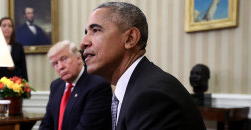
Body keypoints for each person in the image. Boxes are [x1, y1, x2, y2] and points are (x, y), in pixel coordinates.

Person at [80, 2, 206, 130]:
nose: (83, 43)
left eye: (95, 30)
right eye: (86, 33)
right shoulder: (136, 88)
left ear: (130, 38)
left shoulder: (151, 96)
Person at [39, 40, 112, 130]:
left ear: (78, 58)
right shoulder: (56, 85)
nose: (60, 66)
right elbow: (47, 123)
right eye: (55, 63)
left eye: (64, 59)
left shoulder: (98, 86)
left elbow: (87, 127)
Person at [0, 17, 28, 110]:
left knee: (15, 114)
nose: (7, 28)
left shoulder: (18, 46)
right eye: (4, 26)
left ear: (12, 29)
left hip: (15, 88)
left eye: (9, 26)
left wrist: (25, 87)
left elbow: (23, 68)